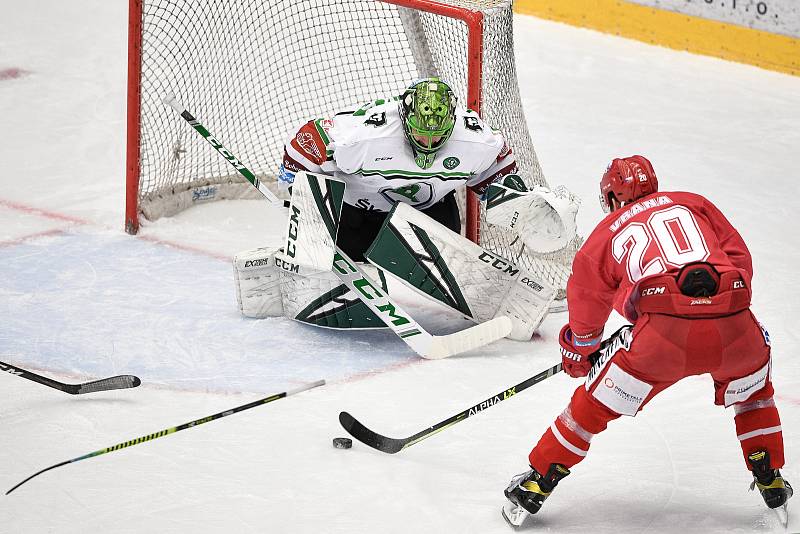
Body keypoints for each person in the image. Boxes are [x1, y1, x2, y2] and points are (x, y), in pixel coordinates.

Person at [502, 155, 792, 525]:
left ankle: (537, 483)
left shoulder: (604, 233)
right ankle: (770, 478)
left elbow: (585, 303)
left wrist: (581, 350)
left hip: (661, 338)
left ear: (610, 196)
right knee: (754, 394)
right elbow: (740, 258)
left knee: (592, 406)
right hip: (733, 321)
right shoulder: (694, 202)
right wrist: (713, 306)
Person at [278, 77, 517, 261]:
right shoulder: (365, 137)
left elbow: (501, 173)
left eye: (438, 135)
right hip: (358, 216)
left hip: (427, 215)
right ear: (404, 118)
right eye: (421, 133)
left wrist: (516, 206)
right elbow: (308, 140)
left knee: (449, 256)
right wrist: (297, 194)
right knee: (347, 252)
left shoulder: (474, 140)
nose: (429, 143)